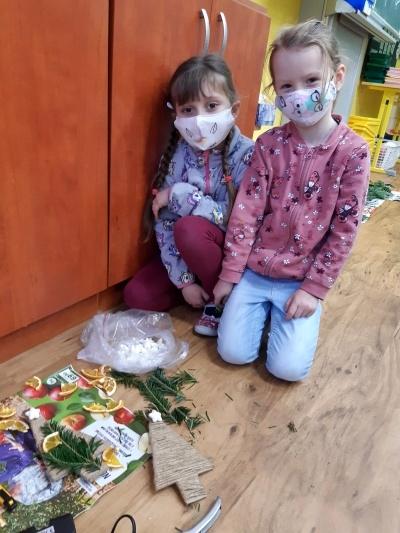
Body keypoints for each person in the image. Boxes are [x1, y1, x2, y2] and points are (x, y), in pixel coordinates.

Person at [213, 19, 370, 381]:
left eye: (312, 80)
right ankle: (263, 318)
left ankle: (286, 320)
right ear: (276, 91)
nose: (299, 94)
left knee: (287, 370)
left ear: (337, 77)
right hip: (255, 272)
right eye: (287, 85)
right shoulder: (268, 145)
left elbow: (344, 232)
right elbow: (246, 213)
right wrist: (230, 274)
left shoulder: (353, 153)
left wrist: (314, 290)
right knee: (232, 353)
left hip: (301, 280)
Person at [123, 54, 254, 336]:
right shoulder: (175, 156)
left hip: (227, 260)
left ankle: (222, 304)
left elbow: (235, 220)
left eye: (211, 106)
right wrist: (184, 282)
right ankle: (199, 295)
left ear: (233, 109)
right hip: (182, 256)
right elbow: (164, 222)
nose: (199, 120)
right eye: (188, 110)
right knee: (137, 296)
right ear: (176, 115)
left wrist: (179, 194)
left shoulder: (247, 155)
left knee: (190, 229)